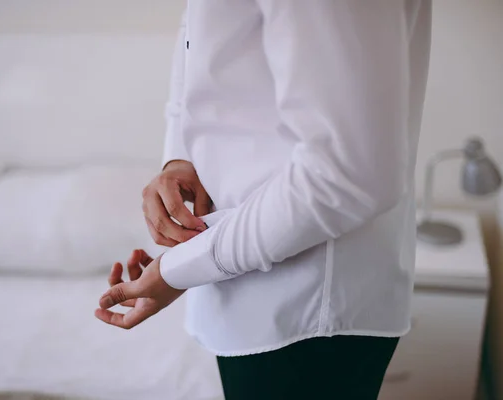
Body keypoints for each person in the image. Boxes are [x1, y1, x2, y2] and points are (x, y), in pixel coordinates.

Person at [95, 1, 432, 398]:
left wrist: (180, 268)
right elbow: (200, 41)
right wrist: (179, 157)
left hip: (307, 313)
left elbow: (350, 171)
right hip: (243, 292)